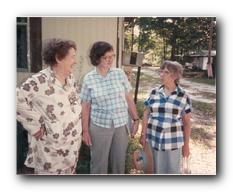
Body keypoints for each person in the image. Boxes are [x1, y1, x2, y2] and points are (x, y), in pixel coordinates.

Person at [16, 38, 82, 175]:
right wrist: (33, 124)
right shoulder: (39, 81)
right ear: (59, 58)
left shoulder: (70, 78)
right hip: (51, 154)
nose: (75, 61)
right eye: (72, 57)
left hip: (72, 149)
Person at [80, 41, 139, 174]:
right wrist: (85, 131)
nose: (110, 60)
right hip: (100, 126)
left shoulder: (119, 74)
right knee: (98, 164)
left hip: (121, 124)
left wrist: (136, 119)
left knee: (119, 163)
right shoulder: (89, 79)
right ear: (96, 58)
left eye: (112, 56)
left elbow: (128, 98)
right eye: (106, 57)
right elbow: (85, 106)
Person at [140, 60, 192, 174]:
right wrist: (143, 134)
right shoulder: (154, 92)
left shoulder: (183, 96)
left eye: (166, 72)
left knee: (172, 171)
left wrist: (186, 146)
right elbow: (145, 114)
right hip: (153, 138)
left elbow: (187, 123)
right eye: (161, 71)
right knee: (153, 170)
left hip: (173, 141)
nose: (161, 74)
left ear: (174, 75)